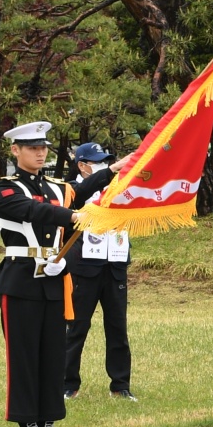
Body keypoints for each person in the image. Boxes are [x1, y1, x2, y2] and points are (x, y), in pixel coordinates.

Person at [0, 121, 105, 427]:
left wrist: (116, 169)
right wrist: (71, 217)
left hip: (54, 279)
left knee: (53, 355)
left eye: (43, 148)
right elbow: (32, 211)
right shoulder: (6, 188)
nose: (40, 153)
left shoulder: (57, 187)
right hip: (21, 279)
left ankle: (48, 423)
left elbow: (85, 187)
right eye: (32, 148)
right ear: (16, 151)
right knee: (24, 356)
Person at [62, 141, 135, 403]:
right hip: (84, 267)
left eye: (106, 161)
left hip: (114, 264)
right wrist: (110, 172)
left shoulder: (119, 188)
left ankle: (120, 385)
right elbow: (81, 194)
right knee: (76, 327)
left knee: (117, 327)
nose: (104, 165)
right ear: (82, 165)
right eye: (97, 161)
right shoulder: (73, 190)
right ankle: (68, 383)